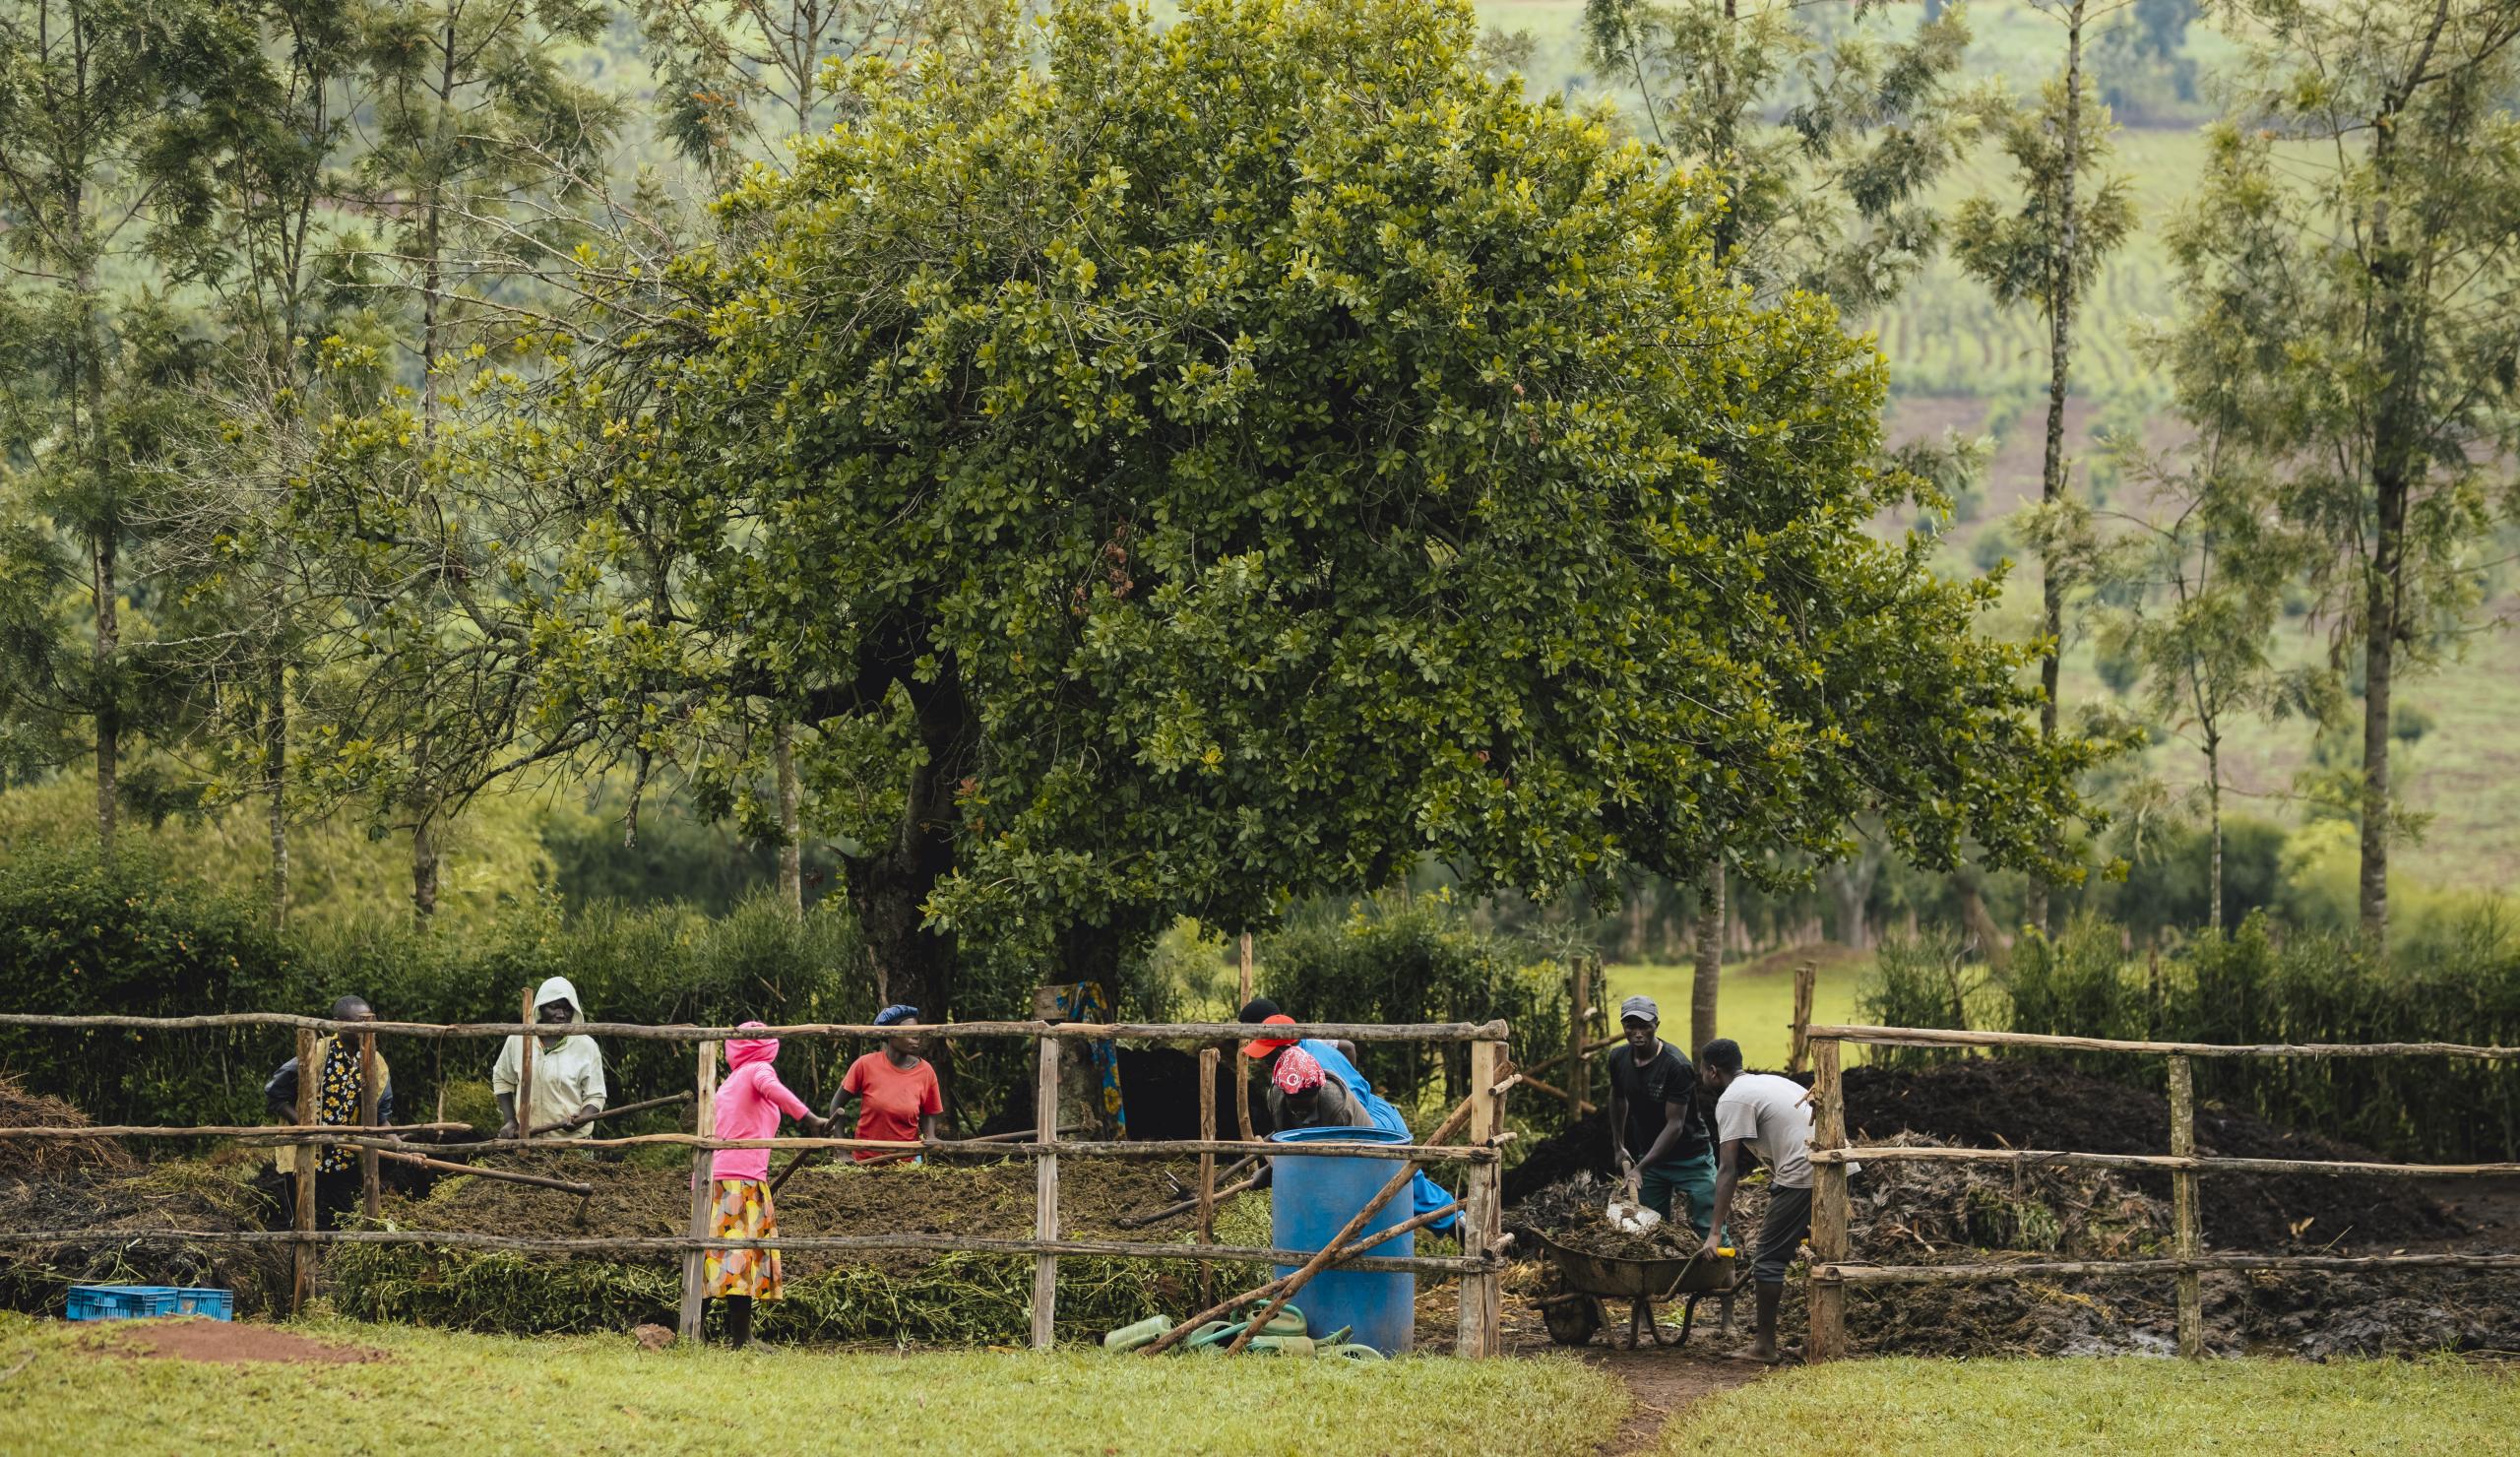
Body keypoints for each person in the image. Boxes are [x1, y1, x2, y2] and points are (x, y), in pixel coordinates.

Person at [1239, 998, 1458, 1231]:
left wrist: (1346, 1092)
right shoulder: (1306, 1046)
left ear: (1281, 1047)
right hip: (1374, 1109)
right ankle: (1461, 1224)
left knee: (1402, 1190)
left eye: (1266, 1051)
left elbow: (1336, 1160)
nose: (1261, 1059)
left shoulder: (1317, 1085)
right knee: (1414, 1191)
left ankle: (1466, 1228)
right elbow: (1347, 1047)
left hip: (1370, 1125)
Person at [704, 1022, 830, 1347]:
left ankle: (695, 1331)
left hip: (714, 1178)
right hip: (739, 1180)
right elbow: (772, 1089)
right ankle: (742, 1339)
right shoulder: (758, 1070)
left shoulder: (730, 1080)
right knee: (740, 1257)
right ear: (767, 1045)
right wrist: (809, 1119)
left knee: (711, 1254)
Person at [1698, 1037, 1815, 1363]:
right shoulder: (1767, 1083)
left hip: (1804, 1168)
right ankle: (1819, 1341)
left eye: (1702, 1070)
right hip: (1834, 1162)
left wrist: (1715, 1231)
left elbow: (1728, 1169)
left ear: (1711, 1070)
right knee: (1824, 1257)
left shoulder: (1732, 1099)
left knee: (1768, 1260)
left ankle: (1764, 1347)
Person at [263, 996, 392, 1231]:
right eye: (358, 1022)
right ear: (337, 1024)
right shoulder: (317, 1054)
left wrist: (401, 1145)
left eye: (369, 1021)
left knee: (347, 1222)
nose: (365, 1028)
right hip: (306, 1157)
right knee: (302, 1225)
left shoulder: (375, 1062)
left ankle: (338, 1267)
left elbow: (380, 1115)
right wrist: (309, 1125)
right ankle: (299, 1268)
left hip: (344, 1159)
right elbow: (275, 1094)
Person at [1604, 994, 1718, 1239]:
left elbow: (1675, 1125)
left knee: (1710, 1230)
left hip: (1691, 1158)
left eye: (1644, 1025)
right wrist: (1619, 1145)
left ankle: (1722, 1276)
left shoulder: (1676, 1066)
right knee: (1649, 1232)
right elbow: (1618, 1097)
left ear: (1656, 1024)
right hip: (1652, 1157)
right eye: (1630, 1026)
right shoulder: (1618, 1058)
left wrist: (1639, 1169)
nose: (1637, 1033)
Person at [491, 976, 606, 1141]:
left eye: (567, 1009)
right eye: (554, 1007)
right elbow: (502, 1079)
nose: (561, 1015)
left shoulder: (586, 1046)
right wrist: (510, 1120)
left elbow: (596, 1095)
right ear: (541, 1008)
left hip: (573, 1144)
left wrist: (581, 1119)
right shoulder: (518, 1040)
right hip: (527, 1142)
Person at [830, 1004, 943, 1162]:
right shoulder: (865, 1065)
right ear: (890, 1034)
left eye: (918, 1031)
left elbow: (929, 1112)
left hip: (906, 1162)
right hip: (865, 1160)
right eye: (909, 1032)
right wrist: (842, 1151)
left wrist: (931, 1136)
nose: (916, 1037)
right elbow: (836, 1104)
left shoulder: (926, 1071)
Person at [1265, 1045, 1367, 1131]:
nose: (1301, 1112)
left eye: (1306, 1105)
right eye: (1295, 1106)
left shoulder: (1338, 1108)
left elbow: (1345, 1148)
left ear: (1318, 1092)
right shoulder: (1276, 1098)